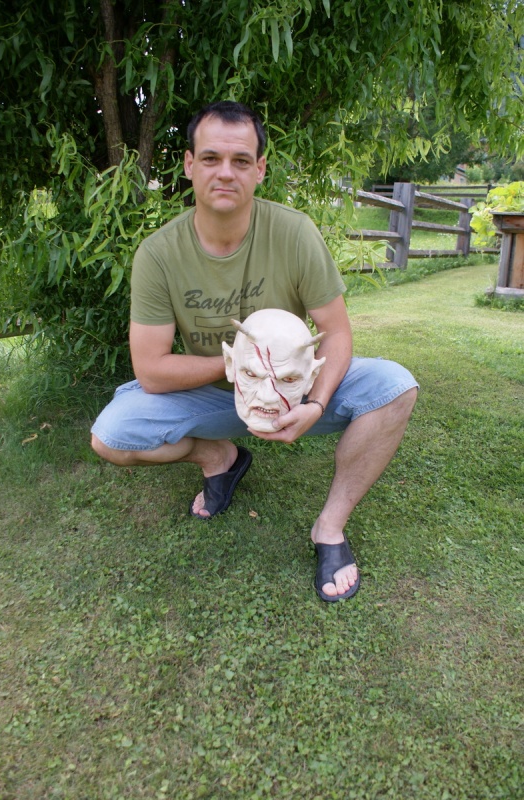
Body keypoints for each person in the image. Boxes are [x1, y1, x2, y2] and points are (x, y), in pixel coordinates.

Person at [91, 100, 418, 602]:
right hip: (214, 394)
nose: (225, 172)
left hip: (294, 389)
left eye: (241, 160)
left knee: (395, 387)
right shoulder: (158, 254)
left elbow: (336, 333)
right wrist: (238, 366)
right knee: (112, 435)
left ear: (260, 169)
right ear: (189, 165)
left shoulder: (294, 233)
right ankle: (220, 456)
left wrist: (315, 403)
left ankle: (329, 528)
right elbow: (151, 370)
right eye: (211, 158)